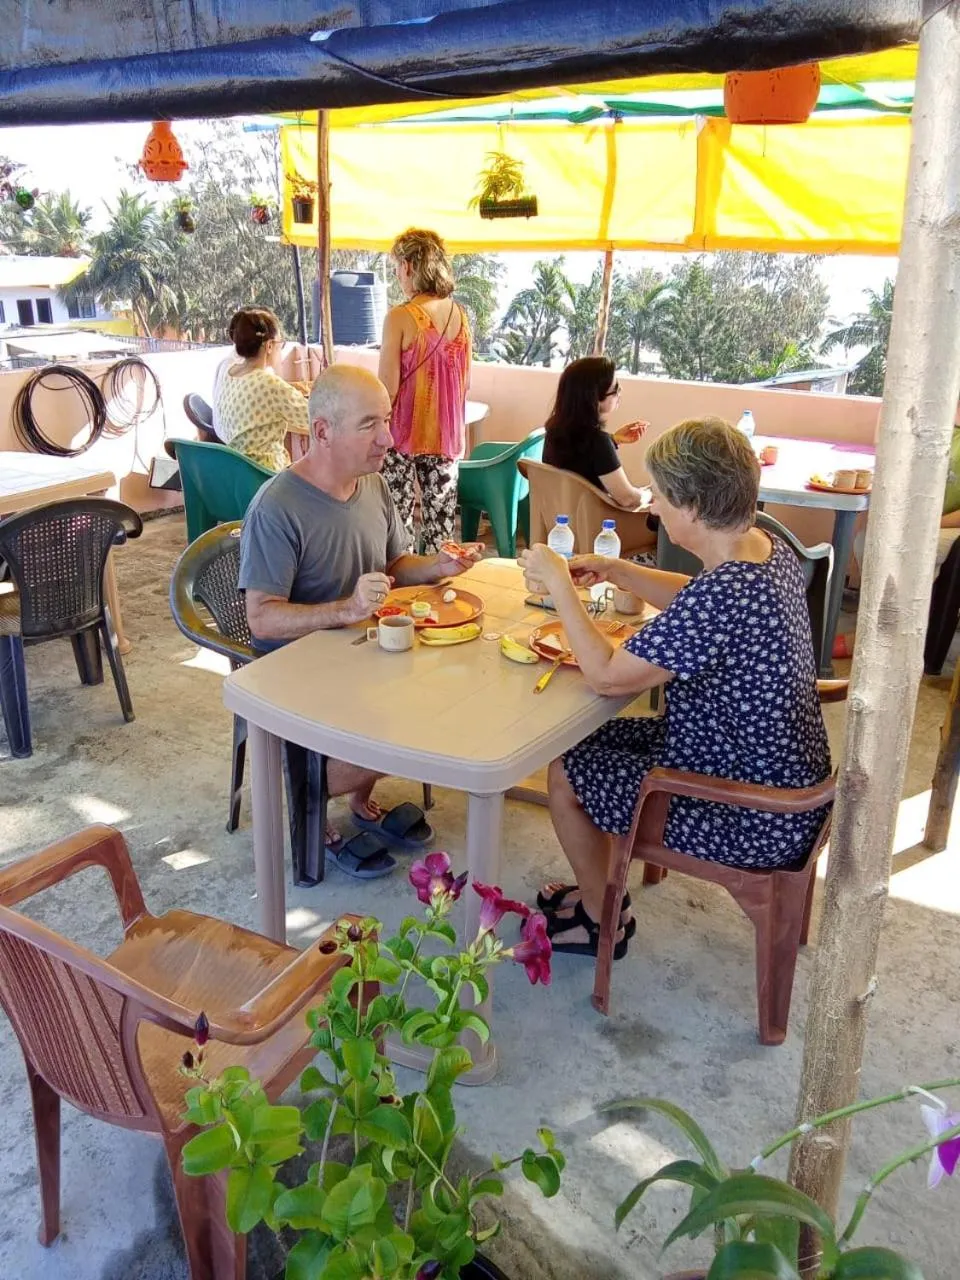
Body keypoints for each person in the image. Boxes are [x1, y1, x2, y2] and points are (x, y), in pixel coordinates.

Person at [519, 416, 831, 960]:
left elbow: (607, 675)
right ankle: (601, 885)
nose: (653, 507)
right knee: (581, 745)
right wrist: (619, 571)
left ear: (691, 506)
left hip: (750, 812)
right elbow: (696, 595)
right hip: (779, 775)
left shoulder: (724, 596)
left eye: (660, 497)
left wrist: (560, 584)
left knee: (565, 772)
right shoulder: (764, 547)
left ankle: (602, 921)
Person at [239, 363, 483, 880]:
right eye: (369, 424)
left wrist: (437, 566)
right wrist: (346, 610)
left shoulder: (371, 486)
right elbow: (260, 620)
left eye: (387, 421)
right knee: (412, 727)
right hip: (297, 670)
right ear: (322, 432)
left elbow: (395, 565)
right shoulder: (278, 507)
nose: (388, 439)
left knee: (451, 701)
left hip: (361, 648)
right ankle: (306, 793)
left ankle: (355, 796)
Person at [378, 228, 471, 553]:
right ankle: (439, 594)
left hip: (402, 435)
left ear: (408, 265)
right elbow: (463, 383)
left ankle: (401, 597)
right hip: (447, 437)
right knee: (441, 532)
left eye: (396, 268)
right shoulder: (460, 315)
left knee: (396, 527)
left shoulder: (400, 317)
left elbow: (386, 389)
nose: (397, 276)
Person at [542, 356, 650, 509]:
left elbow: (581, 460)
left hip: (562, 522)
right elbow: (627, 499)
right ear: (595, 398)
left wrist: (613, 440)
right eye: (616, 388)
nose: (620, 391)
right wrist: (649, 493)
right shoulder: (598, 443)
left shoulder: (554, 433)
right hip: (597, 526)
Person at [215, 307, 309, 471]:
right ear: (270, 346)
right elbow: (313, 417)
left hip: (236, 472)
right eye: (281, 343)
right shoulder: (269, 384)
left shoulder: (228, 372)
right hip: (266, 476)